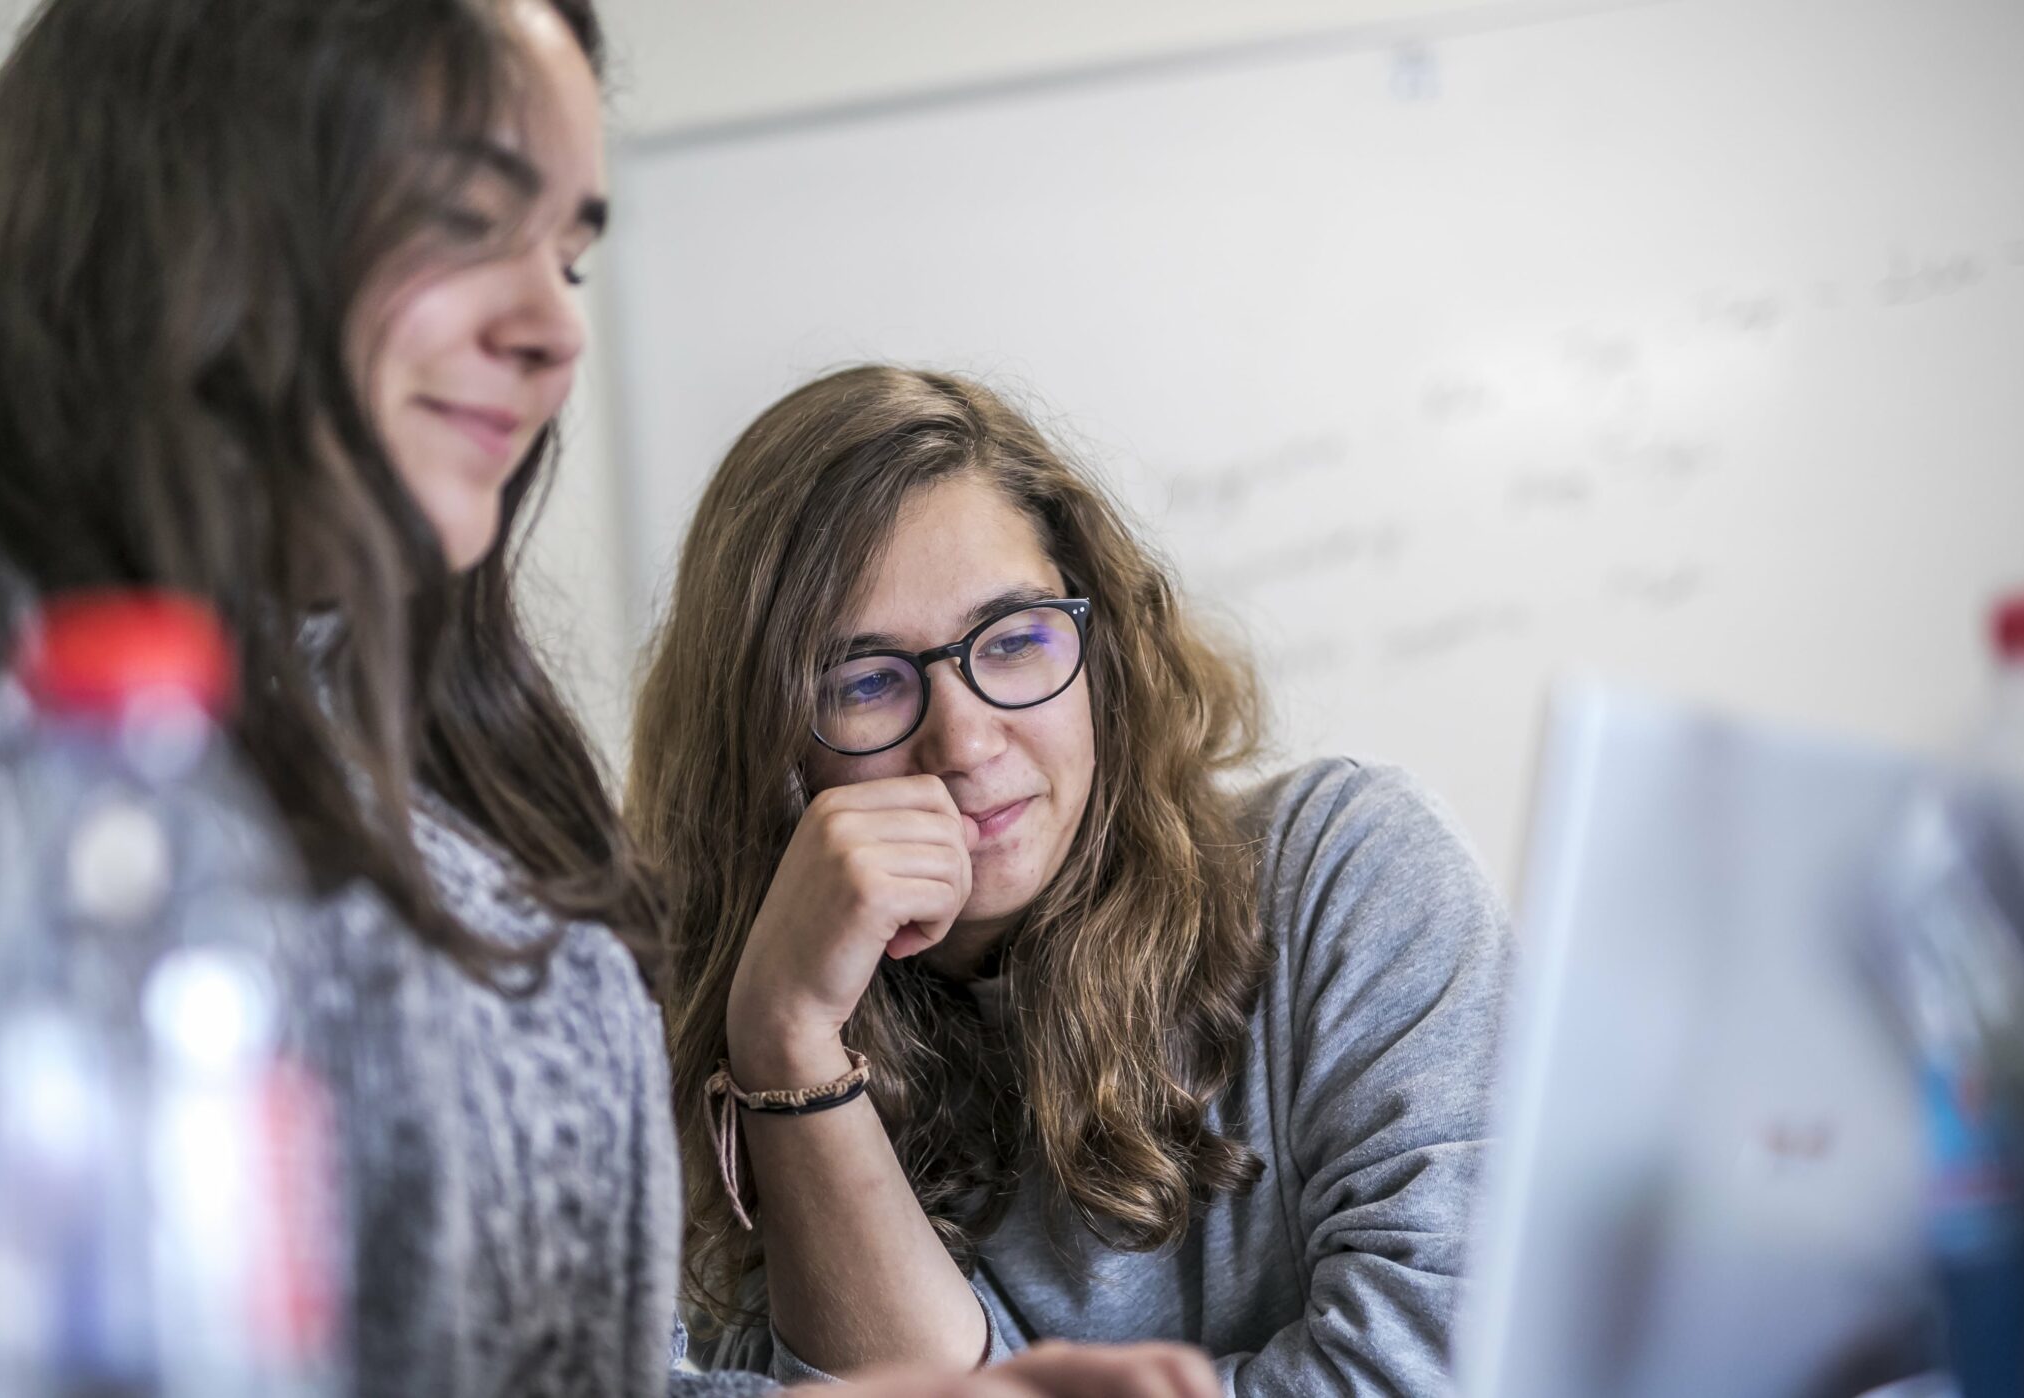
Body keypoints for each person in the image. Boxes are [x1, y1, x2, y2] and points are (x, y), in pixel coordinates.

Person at [0, 6, 1217, 1397]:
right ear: (195, 189)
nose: (554, 326)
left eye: (571, 251)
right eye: (466, 220)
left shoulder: (406, 696)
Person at [629, 365, 1511, 1395]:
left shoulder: (1345, 871)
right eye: (865, 681)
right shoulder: (702, 1061)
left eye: (1011, 641)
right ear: (767, 749)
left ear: (1102, 652)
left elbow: (1447, 1369)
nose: (962, 740)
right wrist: (785, 1037)